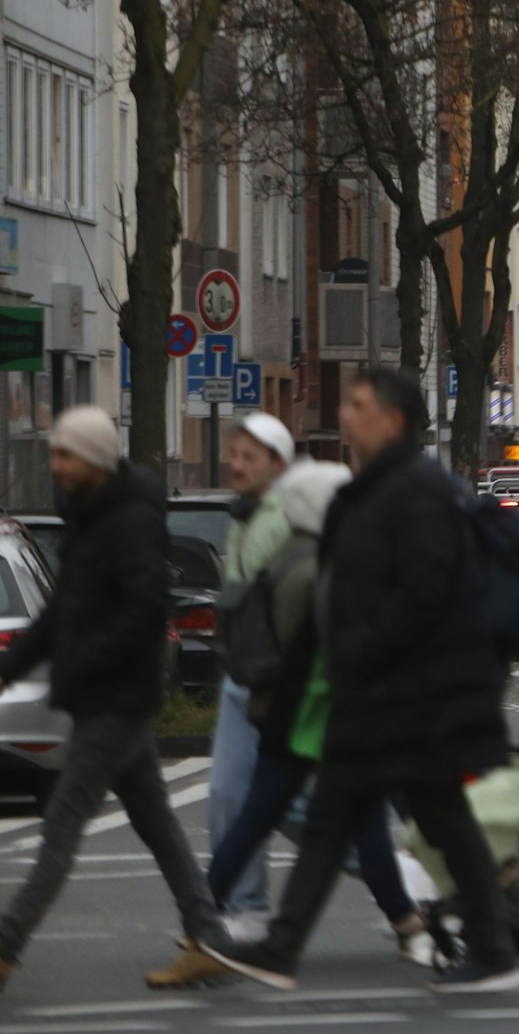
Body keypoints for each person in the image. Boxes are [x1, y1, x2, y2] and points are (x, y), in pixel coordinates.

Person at [204, 369, 519, 993]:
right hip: (381, 694)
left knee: (428, 819)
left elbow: (425, 590)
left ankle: (492, 949)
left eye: (359, 405)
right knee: (344, 818)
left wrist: (361, 647)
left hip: (407, 694)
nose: (345, 414)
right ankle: (285, 946)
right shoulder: (377, 489)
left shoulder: (415, 491)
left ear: (393, 421)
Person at [0, 406, 233, 991]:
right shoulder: (91, 514)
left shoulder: (125, 521)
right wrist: (12, 667)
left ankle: (6, 945)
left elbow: (143, 610)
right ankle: (210, 938)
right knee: (157, 825)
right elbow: (63, 610)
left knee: (62, 825)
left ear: (95, 461)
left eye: (64, 454)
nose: (54, 464)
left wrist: (79, 661)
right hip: (108, 696)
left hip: (115, 698)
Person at [205, 461, 429, 962]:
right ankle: (409, 922)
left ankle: (404, 922)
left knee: (268, 821)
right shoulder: (319, 568)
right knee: (343, 822)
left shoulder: (289, 559)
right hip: (318, 720)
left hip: (302, 721)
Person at [212, 413, 295, 929]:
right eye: (234, 455)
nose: (236, 466)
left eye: (249, 457)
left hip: (280, 681)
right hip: (241, 677)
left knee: (303, 807)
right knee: (225, 792)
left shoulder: (284, 518)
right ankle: (245, 906)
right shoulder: (242, 515)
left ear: (278, 465)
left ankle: (397, 883)